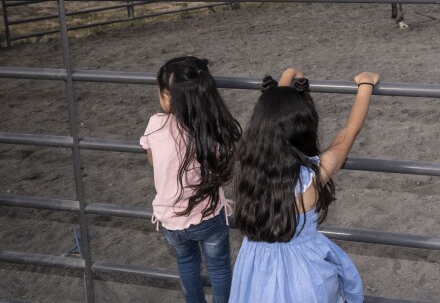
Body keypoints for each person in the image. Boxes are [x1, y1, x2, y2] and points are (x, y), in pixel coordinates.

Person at [231, 67, 380, 303]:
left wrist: (289, 74)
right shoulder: (308, 176)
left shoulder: (248, 171)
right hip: (305, 277)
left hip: (256, 271)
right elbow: (349, 132)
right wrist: (366, 85)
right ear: (302, 129)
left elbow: (274, 113)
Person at [141, 56, 242, 303]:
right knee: (219, 269)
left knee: (187, 265)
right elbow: (225, 175)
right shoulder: (212, 129)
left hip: (171, 220)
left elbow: (154, 161)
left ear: (166, 97)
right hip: (208, 217)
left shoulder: (155, 124)